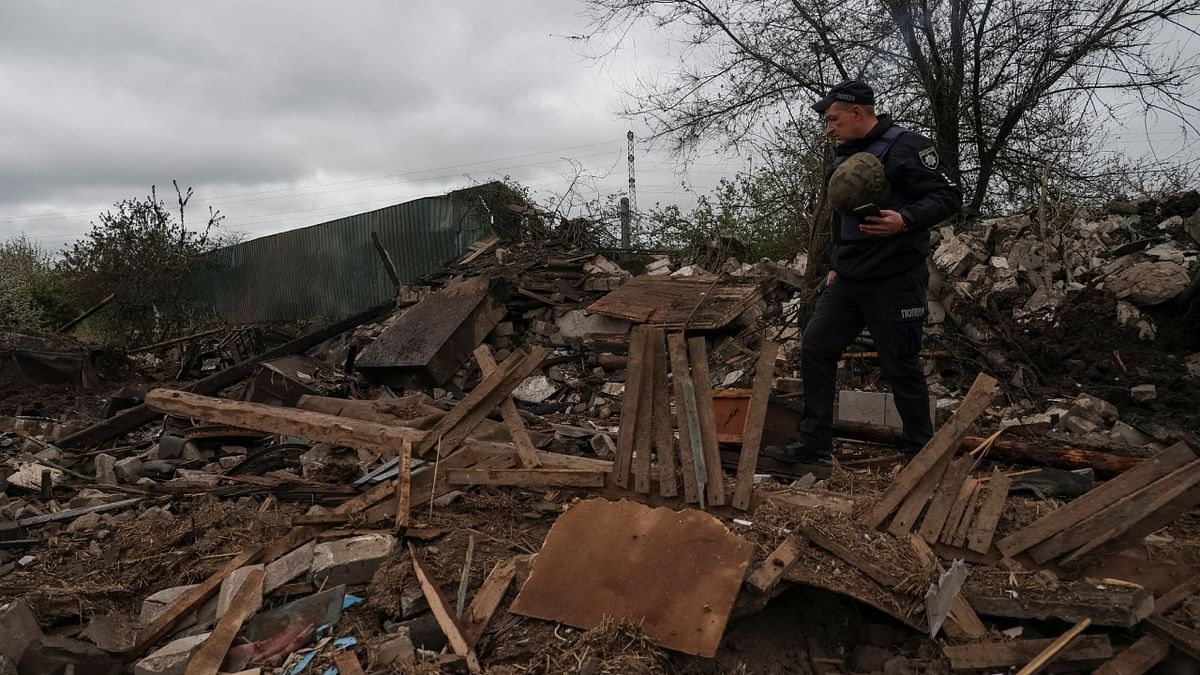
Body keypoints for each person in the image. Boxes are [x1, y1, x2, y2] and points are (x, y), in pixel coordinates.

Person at [765, 80, 962, 462]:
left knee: (899, 365)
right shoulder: (843, 155)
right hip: (849, 280)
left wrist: (904, 220)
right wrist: (835, 266)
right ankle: (814, 446)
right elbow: (839, 222)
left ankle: (920, 455)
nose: (828, 127)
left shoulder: (909, 147)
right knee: (816, 348)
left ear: (859, 113)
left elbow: (950, 195)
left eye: (834, 119)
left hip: (896, 278)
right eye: (826, 122)